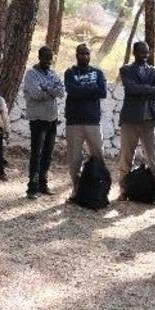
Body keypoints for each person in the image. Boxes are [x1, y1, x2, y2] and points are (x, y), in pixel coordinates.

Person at [118, 42, 155, 204]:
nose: (144, 56)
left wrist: (141, 89)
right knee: (126, 158)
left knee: (153, 159)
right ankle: (123, 191)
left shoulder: (154, 71)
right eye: (141, 53)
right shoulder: (126, 69)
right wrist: (148, 89)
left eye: (147, 53)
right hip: (130, 120)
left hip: (149, 121)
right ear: (134, 53)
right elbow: (130, 89)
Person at [64, 44, 107, 200]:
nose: (85, 56)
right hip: (74, 122)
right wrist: (91, 89)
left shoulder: (98, 72)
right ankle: (76, 191)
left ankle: (101, 191)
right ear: (77, 55)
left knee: (98, 156)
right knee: (74, 160)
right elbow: (71, 91)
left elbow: (102, 92)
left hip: (93, 122)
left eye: (87, 53)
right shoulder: (70, 72)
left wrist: (82, 90)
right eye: (82, 54)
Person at [23, 46, 65, 199]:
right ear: (39, 56)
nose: (48, 61)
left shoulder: (53, 73)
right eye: (45, 57)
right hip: (38, 119)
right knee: (36, 153)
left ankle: (43, 183)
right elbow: (36, 94)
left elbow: (61, 92)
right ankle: (32, 186)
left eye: (50, 57)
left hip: (52, 118)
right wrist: (50, 89)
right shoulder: (31, 74)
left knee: (48, 153)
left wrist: (47, 89)